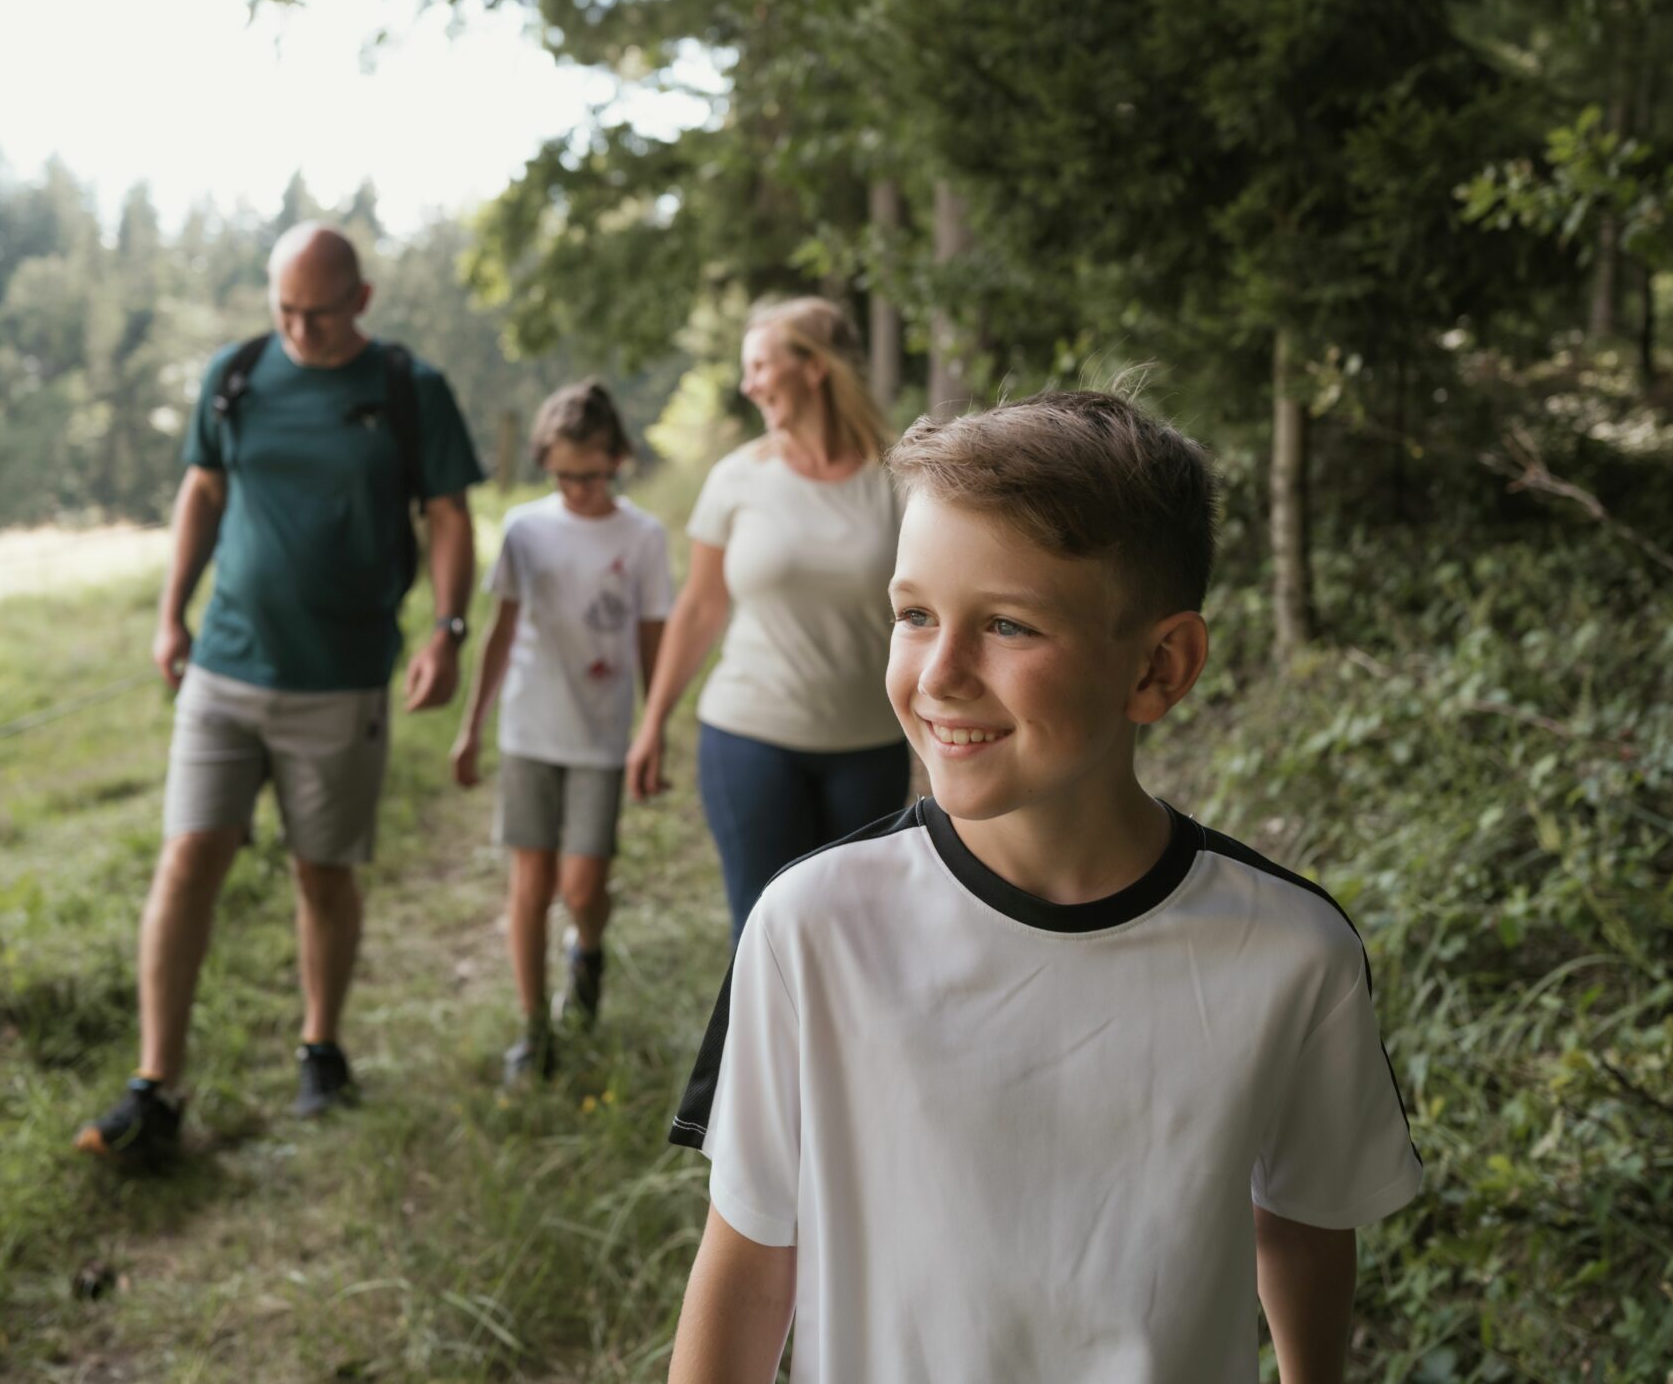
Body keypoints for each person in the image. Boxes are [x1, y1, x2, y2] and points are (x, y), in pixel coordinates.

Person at [663, 391, 1422, 1383]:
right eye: (914, 614)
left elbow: (1304, 1223)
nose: (938, 672)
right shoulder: (809, 928)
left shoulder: (1290, 953)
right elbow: (754, 1256)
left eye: (1008, 625)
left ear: (1158, 665)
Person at [75, 221, 485, 1161]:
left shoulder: (405, 389)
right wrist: (170, 611)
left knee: (321, 870)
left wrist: (449, 631)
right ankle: (155, 1086)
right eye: (285, 311)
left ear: (362, 301)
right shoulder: (237, 374)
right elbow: (203, 493)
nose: (301, 331)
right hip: (224, 667)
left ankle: (321, 1048)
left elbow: (449, 516)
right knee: (188, 859)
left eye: (320, 313)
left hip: (340, 680)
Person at [625, 297, 907, 939]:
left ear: (814, 368)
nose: (748, 384)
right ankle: (759, 1046)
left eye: (760, 365)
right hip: (750, 736)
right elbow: (698, 607)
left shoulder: (898, 478)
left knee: (856, 934)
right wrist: (652, 722)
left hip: (870, 746)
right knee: (763, 933)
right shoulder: (736, 479)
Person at [450, 381, 671, 1084]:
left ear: (618, 460)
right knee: (530, 884)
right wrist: (471, 727)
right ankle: (533, 1029)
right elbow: (501, 630)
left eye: (593, 474)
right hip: (529, 730)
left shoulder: (642, 537)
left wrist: (653, 730)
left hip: (599, 737)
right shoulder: (524, 528)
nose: (577, 489)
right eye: (563, 475)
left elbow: (653, 641)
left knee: (582, 887)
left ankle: (588, 951)